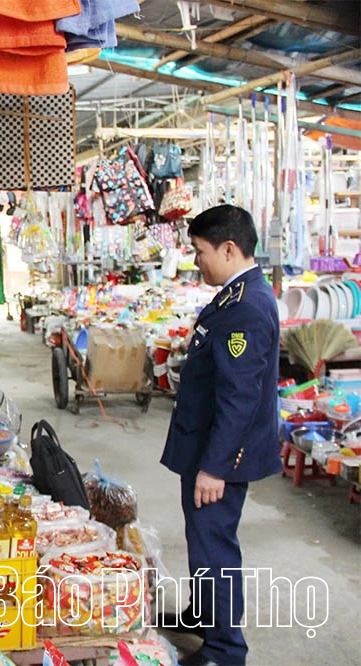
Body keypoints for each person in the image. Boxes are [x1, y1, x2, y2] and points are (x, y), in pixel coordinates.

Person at [159, 205, 281, 666]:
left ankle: (225, 650)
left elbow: (239, 398)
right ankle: (203, 615)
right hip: (204, 444)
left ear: (229, 249)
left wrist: (214, 468)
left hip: (218, 454)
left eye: (200, 252)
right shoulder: (236, 295)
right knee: (202, 539)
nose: (196, 261)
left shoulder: (247, 307)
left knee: (214, 547)